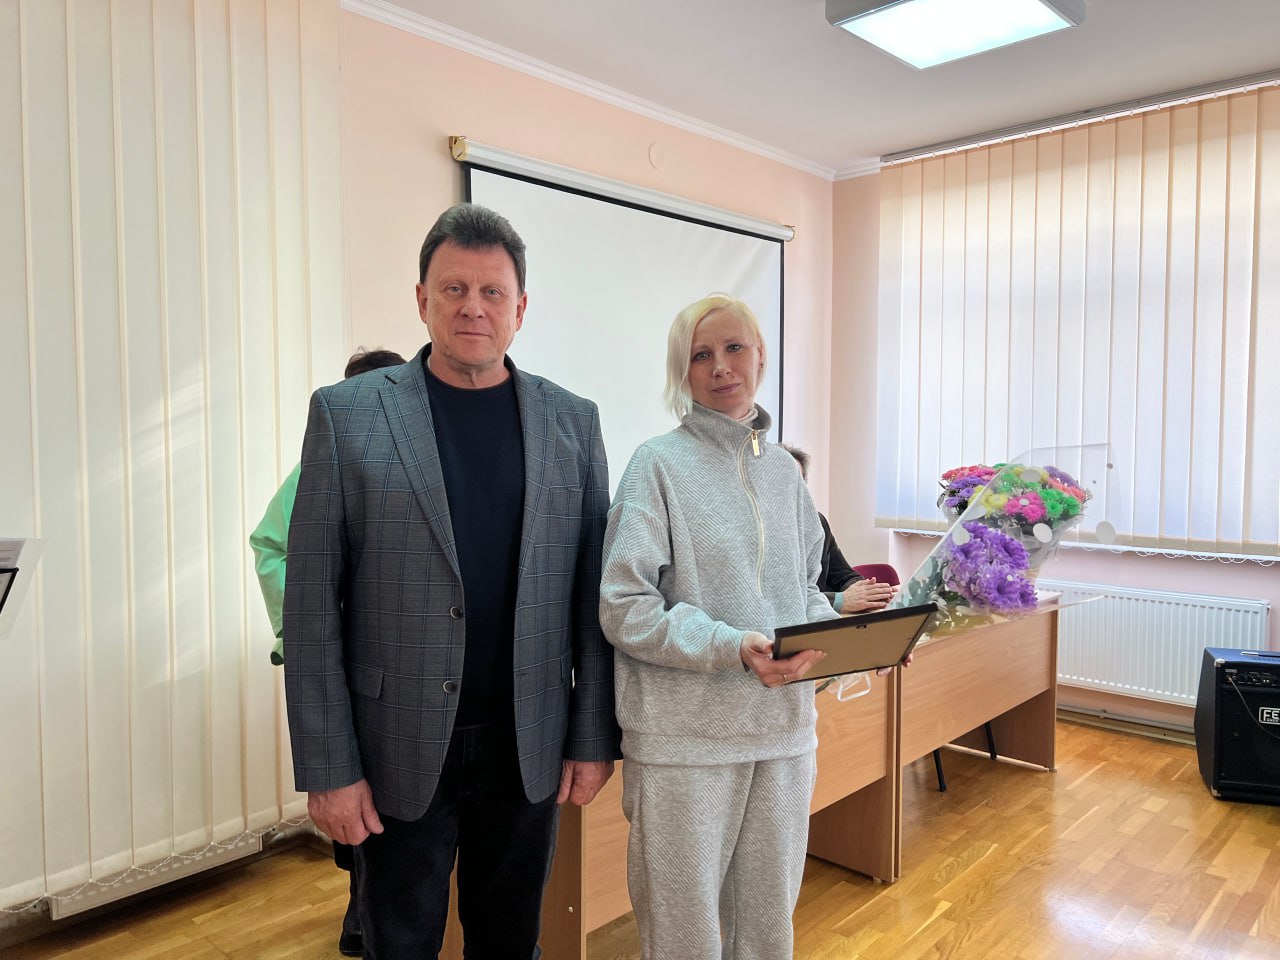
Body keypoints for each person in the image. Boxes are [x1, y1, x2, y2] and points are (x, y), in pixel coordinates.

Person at [283, 203, 621, 960]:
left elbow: (589, 597)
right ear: (422, 299)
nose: (474, 307)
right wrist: (330, 769)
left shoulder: (574, 422)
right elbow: (310, 608)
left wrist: (591, 735)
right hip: (394, 744)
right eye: (454, 289)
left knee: (511, 943)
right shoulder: (348, 416)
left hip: (527, 744)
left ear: (520, 309)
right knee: (398, 945)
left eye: (493, 291)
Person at [599, 292, 840, 960]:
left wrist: (856, 645)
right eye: (700, 355)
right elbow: (624, 605)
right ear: (682, 372)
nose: (721, 367)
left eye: (734, 348)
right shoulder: (656, 465)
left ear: (760, 354)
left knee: (768, 931)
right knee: (685, 938)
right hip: (684, 742)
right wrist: (731, 647)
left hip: (784, 736)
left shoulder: (785, 473)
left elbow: (806, 593)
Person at [249, 347, 406, 958]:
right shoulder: (318, 465)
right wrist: (306, 628)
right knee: (351, 787)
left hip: (406, 666)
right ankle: (360, 907)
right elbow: (271, 545)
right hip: (343, 662)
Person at [782, 444, 897, 615]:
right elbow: (779, 599)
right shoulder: (754, 533)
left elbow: (843, 574)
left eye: (798, 481)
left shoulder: (817, 522)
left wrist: (867, 593)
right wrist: (839, 601)